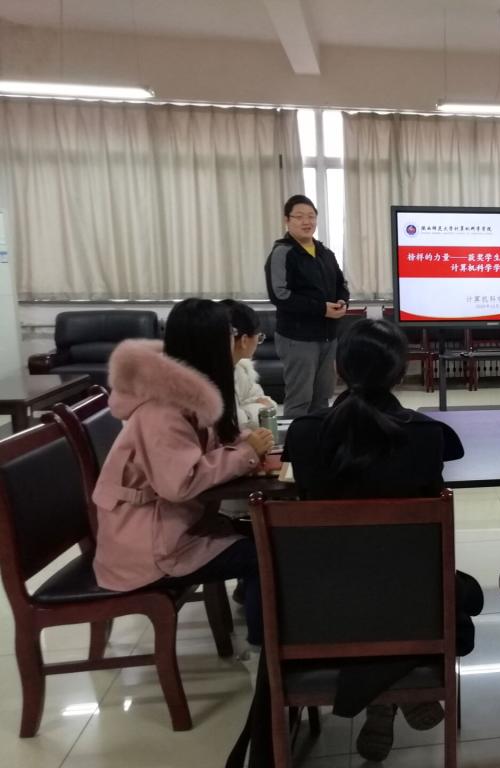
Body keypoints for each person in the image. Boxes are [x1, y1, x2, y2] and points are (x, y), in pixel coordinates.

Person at [282, 318, 481, 763]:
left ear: (338, 369)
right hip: (412, 604)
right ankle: (392, 694)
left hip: (321, 608)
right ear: (401, 372)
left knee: (369, 595)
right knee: (463, 594)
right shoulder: (427, 436)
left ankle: (381, 698)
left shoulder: (304, 433)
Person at [91, 299, 275, 646]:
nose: (234, 343)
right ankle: (267, 649)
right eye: (229, 335)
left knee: (268, 533)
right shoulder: (162, 410)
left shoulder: (183, 393)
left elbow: (205, 445)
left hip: (168, 527)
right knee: (264, 554)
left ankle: (266, 632)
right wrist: (244, 455)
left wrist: (244, 444)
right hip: (149, 548)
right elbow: (180, 483)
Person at [264, 194, 350, 418]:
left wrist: (343, 301)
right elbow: (280, 295)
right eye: (300, 216)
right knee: (300, 399)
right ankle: (295, 440)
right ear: (287, 220)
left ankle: (318, 438)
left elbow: (341, 284)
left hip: (328, 336)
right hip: (297, 338)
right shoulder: (282, 252)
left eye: (311, 216)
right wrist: (322, 309)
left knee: (323, 397)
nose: (307, 222)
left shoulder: (325, 253)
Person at [220, 299, 278, 429]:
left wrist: (247, 411)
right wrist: (258, 408)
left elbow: (269, 404)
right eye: (259, 337)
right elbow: (235, 422)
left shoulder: (242, 369)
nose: (258, 342)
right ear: (244, 340)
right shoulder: (213, 374)